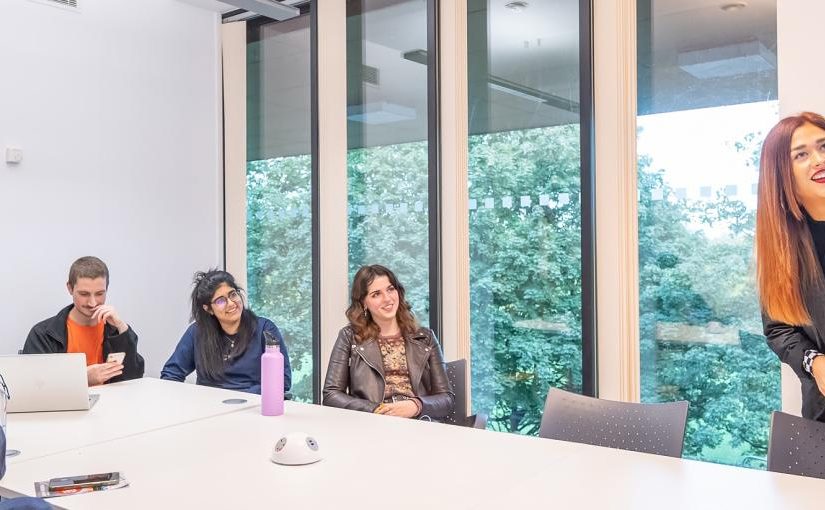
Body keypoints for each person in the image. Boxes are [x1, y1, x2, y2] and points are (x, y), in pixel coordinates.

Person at [758, 111, 825, 421]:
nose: (818, 159)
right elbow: (778, 329)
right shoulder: (781, 248)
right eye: (801, 154)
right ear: (782, 174)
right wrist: (814, 362)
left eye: (823, 147)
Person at [323, 264, 454, 419]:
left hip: (419, 424)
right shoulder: (349, 336)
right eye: (376, 294)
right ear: (364, 303)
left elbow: (446, 398)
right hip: (372, 424)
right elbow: (331, 395)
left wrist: (417, 405)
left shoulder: (426, 337)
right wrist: (377, 410)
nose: (387, 299)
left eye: (391, 289)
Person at [161, 270, 291, 394]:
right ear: (208, 309)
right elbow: (171, 374)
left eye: (233, 294)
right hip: (209, 407)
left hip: (253, 406)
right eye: (221, 300)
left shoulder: (265, 329)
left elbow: (283, 381)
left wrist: (240, 397)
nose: (231, 303)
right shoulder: (197, 332)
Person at [22, 256, 144, 386]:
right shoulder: (43, 334)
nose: (92, 303)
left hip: (112, 404)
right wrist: (81, 378)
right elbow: (33, 385)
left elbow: (135, 377)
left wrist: (122, 328)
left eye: (99, 294)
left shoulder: (116, 330)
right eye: (84, 294)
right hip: (65, 406)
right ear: (70, 288)